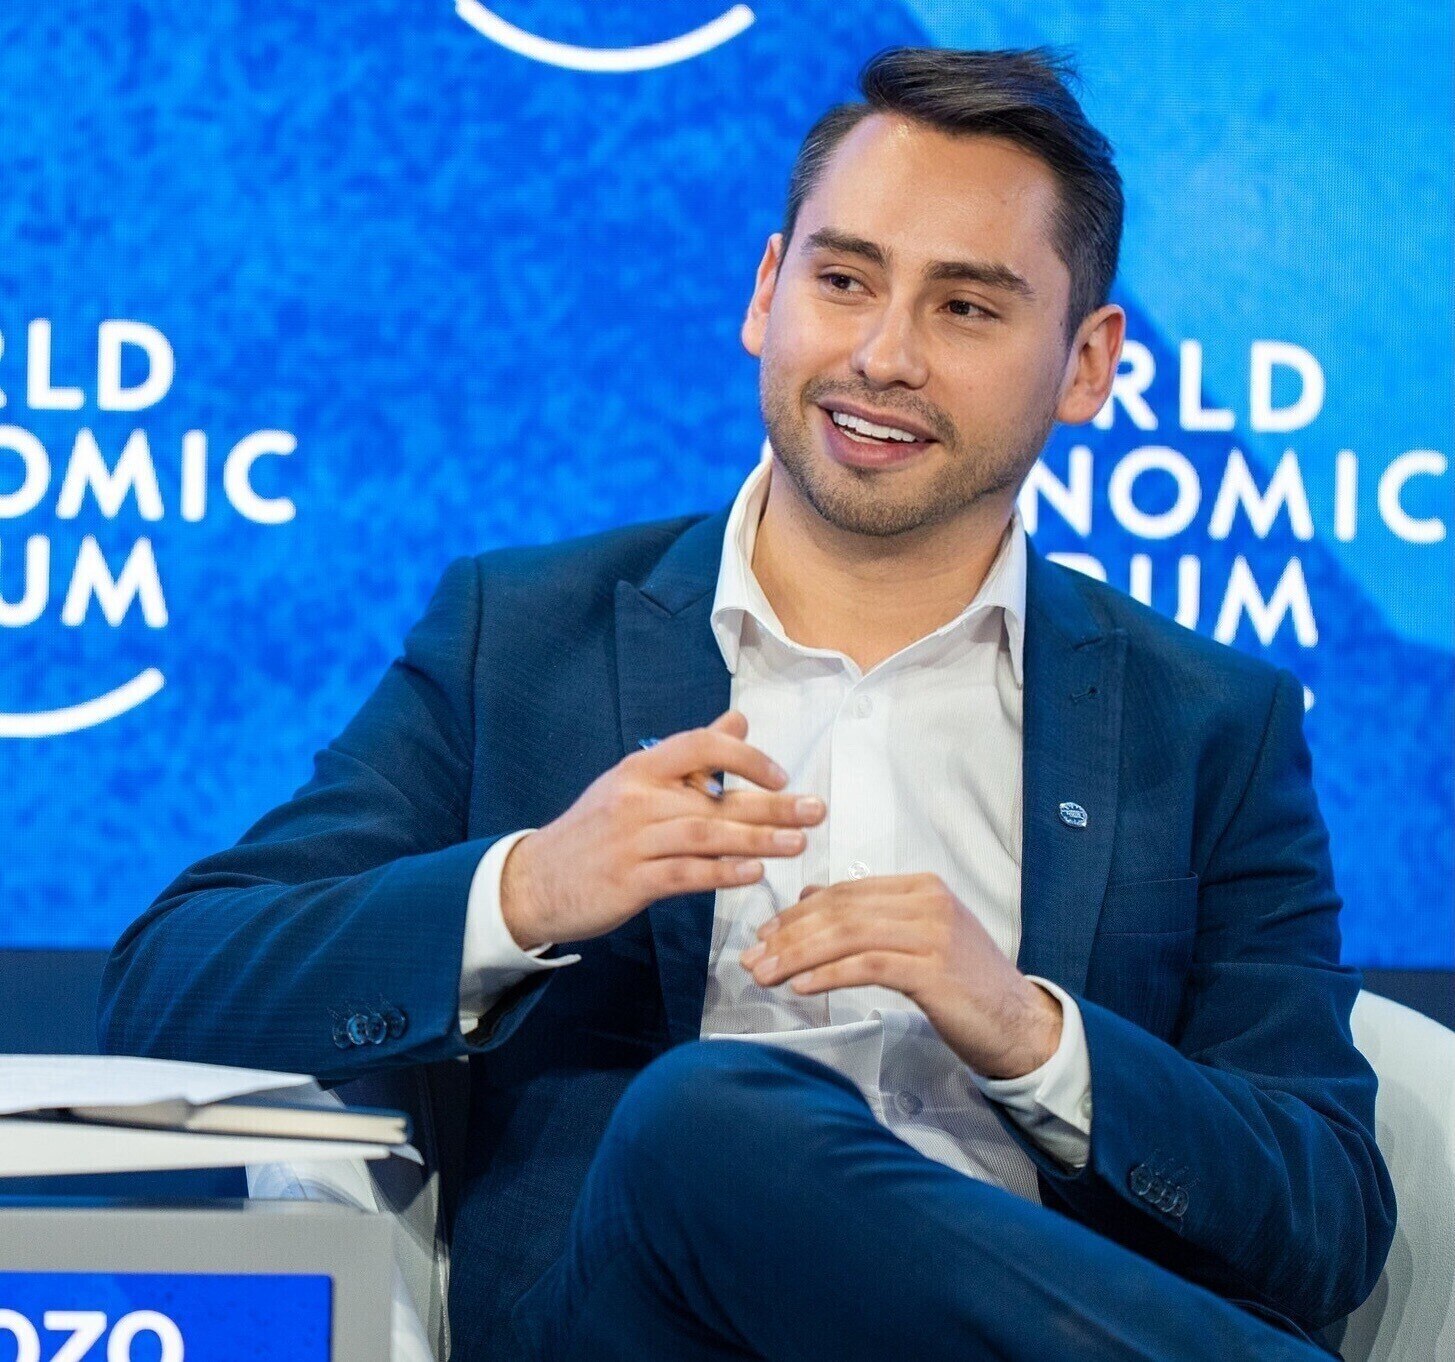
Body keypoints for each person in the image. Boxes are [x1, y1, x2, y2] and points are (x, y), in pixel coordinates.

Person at [98, 46, 1395, 1362]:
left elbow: (1328, 1215)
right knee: (709, 1118)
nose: (884, 356)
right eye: (844, 281)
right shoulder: (525, 638)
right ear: (768, 290)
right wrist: (529, 888)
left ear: (1088, 364)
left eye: (965, 308)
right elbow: (173, 988)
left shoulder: (1208, 723)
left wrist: (1030, 1035)